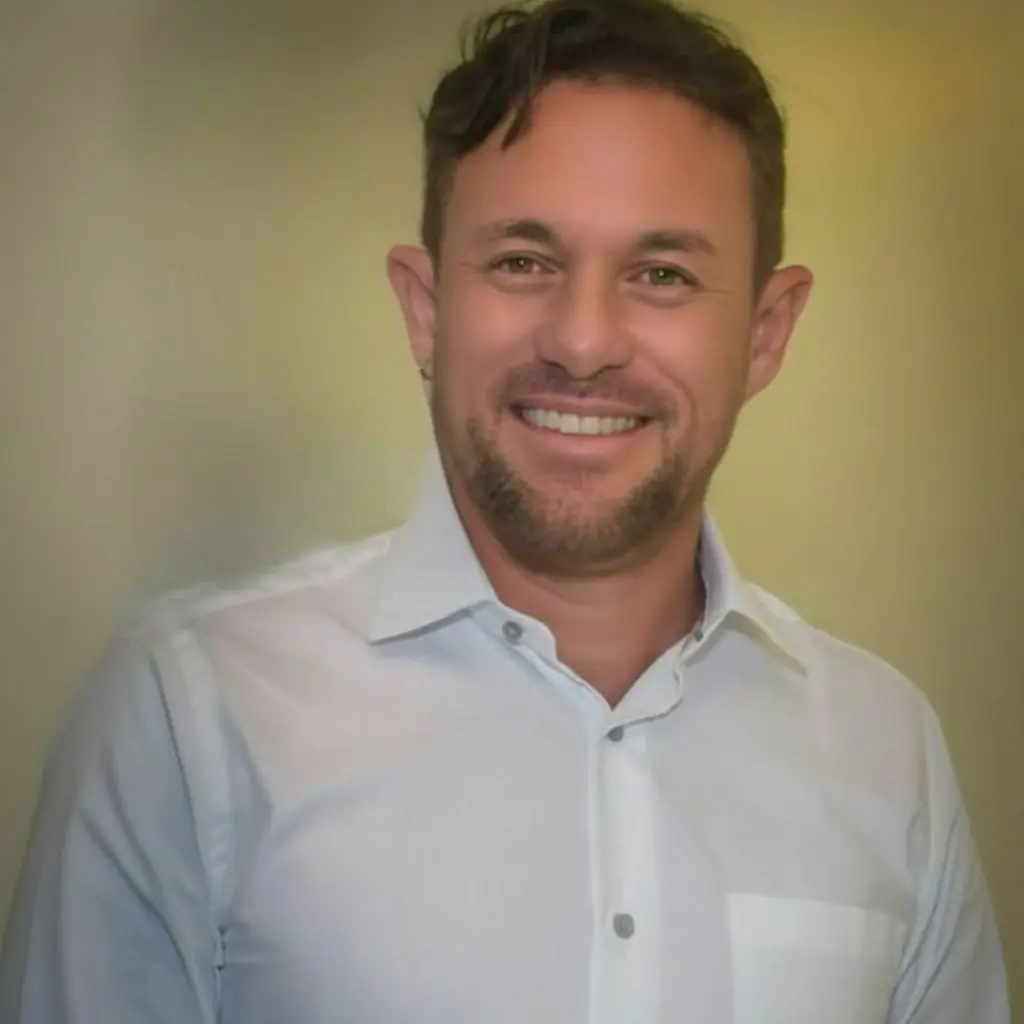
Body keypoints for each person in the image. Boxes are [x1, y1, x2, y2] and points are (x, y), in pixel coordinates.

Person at [0, 0, 1009, 1021]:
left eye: (662, 274)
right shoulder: (188, 718)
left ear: (764, 333)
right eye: (524, 262)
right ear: (426, 308)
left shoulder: (888, 753)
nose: (582, 342)